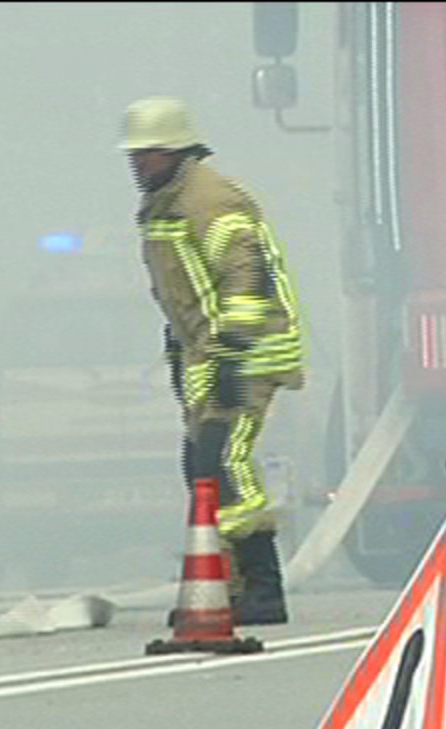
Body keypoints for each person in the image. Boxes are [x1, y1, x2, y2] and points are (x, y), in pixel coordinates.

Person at [122, 96, 304, 626]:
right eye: (134, 156)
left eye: (150, 154)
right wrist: (182, 344)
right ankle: (226, 584)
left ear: (179, 151)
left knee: (224, 459)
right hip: (206, 350)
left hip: (245, 352)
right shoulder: (165, 202)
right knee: (200, 464)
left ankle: (263, 588)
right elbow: (186, 287)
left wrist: (231, 356)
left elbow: (244, 278)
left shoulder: (208, 201)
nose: (139, 164)